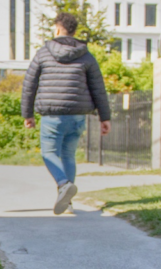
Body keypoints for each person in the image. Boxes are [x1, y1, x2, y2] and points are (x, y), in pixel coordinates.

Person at [21, 12, 111, 215]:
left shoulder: (44, 53)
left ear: (58, 29)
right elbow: (98, 88)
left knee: (49, 153)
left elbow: (29, 85)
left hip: (52, 114)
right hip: (78, 115)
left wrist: (28, 114)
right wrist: (105, 118)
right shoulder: (86, 55)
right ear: (74, 31)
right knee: (69, 155)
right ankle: (68, 202)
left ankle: (63, 184)